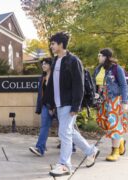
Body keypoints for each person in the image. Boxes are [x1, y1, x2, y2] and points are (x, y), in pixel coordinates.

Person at [44, 32, 99, 177]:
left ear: (61, 44)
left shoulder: (73, 61)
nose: (51, 46)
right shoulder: (55, 61)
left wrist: (76, 106)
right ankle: (91, 151)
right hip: (59, 103)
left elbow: (78, 85)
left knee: (65, 133)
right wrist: (51, 104)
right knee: (70, 132)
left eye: (53, 43)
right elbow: (53, 85)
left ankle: (64, 165)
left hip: (69, 103)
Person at [92, 48, 128, 161]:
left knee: (114, 125)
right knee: (103, 122)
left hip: (114, 99)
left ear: (106, 57)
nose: (98, 57)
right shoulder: (98, 69)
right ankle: (120, 141)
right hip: (103, 100)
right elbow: (96, 84)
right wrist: (96, 94)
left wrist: (124, 102)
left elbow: (123, 85)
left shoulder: (117, 69)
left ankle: (115, 151)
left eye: (100, 55)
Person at [29, 57, 54, 156]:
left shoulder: (56, 77)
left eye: (46, 64)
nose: (43, 65)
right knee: (44, 127)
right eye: (42, 64)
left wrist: (53, 107)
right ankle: (40, 148)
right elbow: (41, 94)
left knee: (66, 130)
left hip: (57, 106)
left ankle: (73, 145)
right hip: (45, 106)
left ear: (50, 65)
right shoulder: (42, 78)